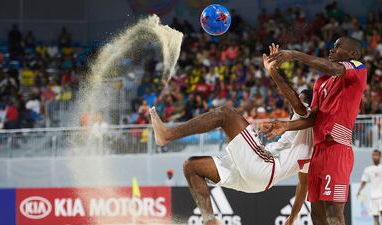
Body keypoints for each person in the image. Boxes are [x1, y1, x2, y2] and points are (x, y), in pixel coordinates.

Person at [150, 44, 313, 225]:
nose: (295, 104)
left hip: (264, 168)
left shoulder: (306, 113)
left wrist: (274, 71)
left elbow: (296, 102)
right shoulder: (311, 147)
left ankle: (168, 134)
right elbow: (303, 185)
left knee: (226, 114)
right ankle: (209, 221)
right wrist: (291, 219)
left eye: (301, 99)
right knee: (192, 167)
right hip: (254, 180)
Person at [263, 37, 367, 225]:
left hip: (337, 148)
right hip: (317, 151)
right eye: (332, 46)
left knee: (334, 214)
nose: (332, 49)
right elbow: (312, 118)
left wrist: (294, 54)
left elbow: (334, 68)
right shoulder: (321, 82)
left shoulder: (358, 67)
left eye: (337, 47)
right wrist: (286, 126)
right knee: (317, 215)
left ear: (352, 54)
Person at [357, 150, 382, 225]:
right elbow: (364, 182)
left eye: (377, 155)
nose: (375, 157)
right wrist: (359, 191)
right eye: (373, 155)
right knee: (375, 217)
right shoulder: (368, 169)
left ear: (380, 156)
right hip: (373, 196)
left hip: (381, 196)